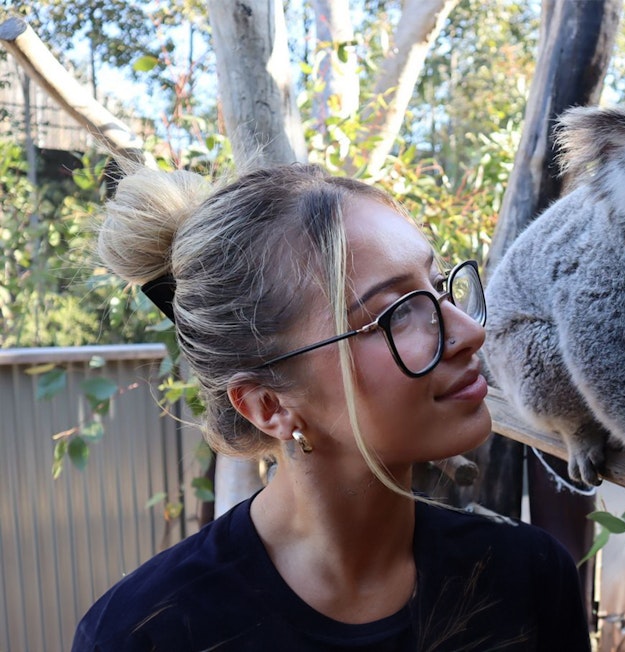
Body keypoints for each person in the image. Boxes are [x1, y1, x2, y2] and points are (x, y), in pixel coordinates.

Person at [73, 163, 592, 651]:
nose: (469, 331)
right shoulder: (148, 634)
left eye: (437, 288)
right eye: (397, 313)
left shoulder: (527, 580)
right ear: (268, 405)